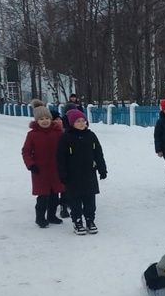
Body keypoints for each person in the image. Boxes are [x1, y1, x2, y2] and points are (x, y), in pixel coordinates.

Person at [57, 108, 107, 235]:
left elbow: (98, 153)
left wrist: (102, 169)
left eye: (83, 120)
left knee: (90, 200)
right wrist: (62, 174)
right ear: (71, 123)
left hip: (89, 174)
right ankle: (77, 221)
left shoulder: (91, 135)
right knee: (75, 201)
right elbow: (60, 157)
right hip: (72, 176)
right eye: (77, 121)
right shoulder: (65, 138)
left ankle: (90, 220)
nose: (81, 123)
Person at [22, 100, 65, 228]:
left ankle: (51, 216)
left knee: (55, 196)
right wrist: (31, 164)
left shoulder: (58, 133)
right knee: (42, 197)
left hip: (56, 169)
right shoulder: (32, 135)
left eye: (47, 118)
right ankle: (40, 218)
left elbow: (65, 148)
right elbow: (26, 151)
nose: (45, 121)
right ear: (37, 121)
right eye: (41, 119)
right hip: (40, 171)